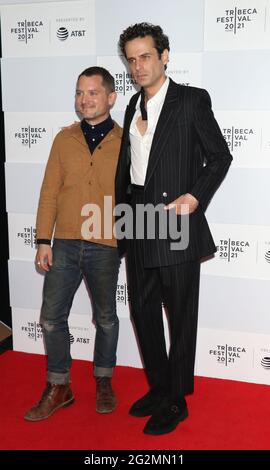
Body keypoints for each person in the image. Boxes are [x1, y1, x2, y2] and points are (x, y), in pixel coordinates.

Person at [115, 23, 232, 435]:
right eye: (131, 59)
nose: (138, 65)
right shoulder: (131, 105)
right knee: (143, 311)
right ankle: (160, 386)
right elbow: (127, 168)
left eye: (145, 56)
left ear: (164, 55)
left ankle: (177, 399)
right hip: (139, 219)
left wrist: (195, 197)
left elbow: (219, 157)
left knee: (181, 315)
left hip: (176, 220)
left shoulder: (191, 101)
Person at [24, 66, 122, 421]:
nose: (85, 99)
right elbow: (49, 190)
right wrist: (41, 240)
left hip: (106, 243)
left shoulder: (127, 142)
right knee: (51, 319)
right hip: (63, 241)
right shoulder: (63, 139)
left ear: (111, 96)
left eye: (93, 92)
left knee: (107, 318)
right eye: (80, 93)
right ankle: (59, 385)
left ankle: (104, 379)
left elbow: (135, 194)